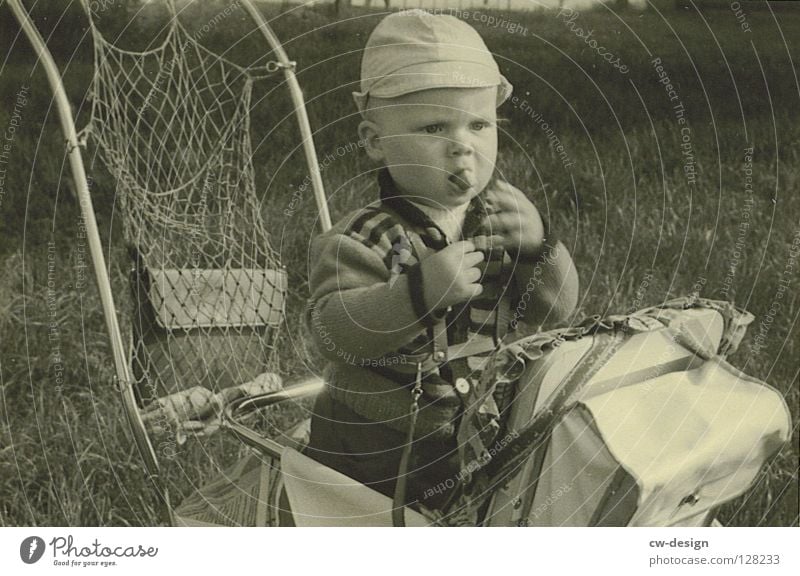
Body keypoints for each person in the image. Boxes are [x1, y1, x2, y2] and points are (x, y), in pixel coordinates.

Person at [304, 10, 579, 511]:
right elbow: (333, 332)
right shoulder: (362, 237)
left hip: (479, 422)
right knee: (373, 529)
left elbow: (553, 313)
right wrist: (416, 294)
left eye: (479, 124)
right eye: (435, 127)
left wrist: (539, 252)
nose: (463, 147)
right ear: (374, 141)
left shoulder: (502, 220)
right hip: (374, 443)